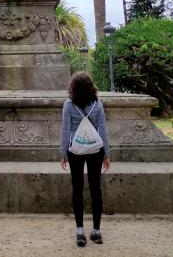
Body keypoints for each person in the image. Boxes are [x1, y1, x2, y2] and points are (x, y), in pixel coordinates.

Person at [60, 71, 111, 247]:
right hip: (95, 149)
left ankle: (80, 231)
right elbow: (103, 130)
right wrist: (107, 153)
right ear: (91, 87)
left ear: (73, 87)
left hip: (75, 149)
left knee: (77, 189)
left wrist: (63, 153)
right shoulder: (97, 104)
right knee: (95, 188)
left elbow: (65, 130)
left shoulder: (68, 104)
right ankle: (96, 231)